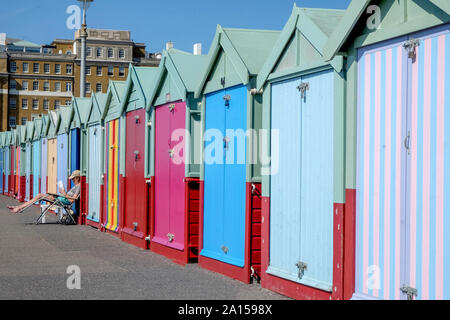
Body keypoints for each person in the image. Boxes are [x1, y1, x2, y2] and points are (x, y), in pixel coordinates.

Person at [8, 170, 81, 214]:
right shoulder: (76, 186)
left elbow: (72, 200)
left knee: (39, 195)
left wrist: (63, 193)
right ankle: (19, 207)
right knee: (40, 195)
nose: (72, 180)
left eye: (73, 179)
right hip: (60, 198)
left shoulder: (78, 186)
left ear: (77, 178)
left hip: (63, 200)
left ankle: (20, 208)